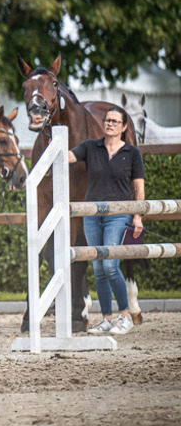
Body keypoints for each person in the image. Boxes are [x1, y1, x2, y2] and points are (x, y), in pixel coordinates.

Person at [67, 105, 144, 335]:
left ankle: (124, 315)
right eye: (107, 120)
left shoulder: (132, 153)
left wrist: (138, 215)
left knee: (111, 265)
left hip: (118, 215)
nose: (109, 124)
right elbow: (68, 156)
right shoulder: (91, 147)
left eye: (114, 121)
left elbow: (138, 186)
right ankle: (106, 319)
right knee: (98, 268)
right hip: (92, 215)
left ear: (124, 126)